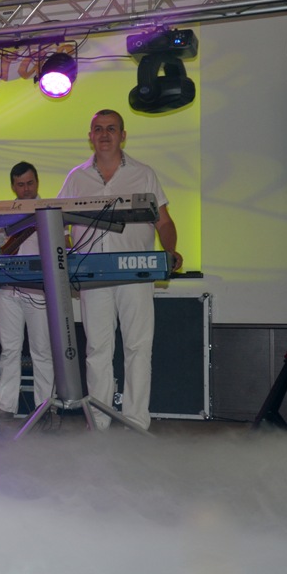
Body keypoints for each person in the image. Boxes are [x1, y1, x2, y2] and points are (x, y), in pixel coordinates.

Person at [58, 109, 182, 431]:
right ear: (90, 136)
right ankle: (99, 421)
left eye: (111, 128)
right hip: (92, 278)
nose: (104, 134)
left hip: (135, 275)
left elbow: (164, 222)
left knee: (137, 347)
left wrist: (169, 251)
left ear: (123, 136)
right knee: (97, 349)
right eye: (98, 129)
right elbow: (58, 226)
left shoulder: (144, 173)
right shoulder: (76, 177)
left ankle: (136, 421)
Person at [0, 162, 55, 431]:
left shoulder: (50, 211)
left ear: (37, 182)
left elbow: (64, 246)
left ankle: (44, 406)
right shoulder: (6, 213)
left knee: (42, 351)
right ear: (13, 186)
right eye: (20, 185)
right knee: (10, 350)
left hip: (38, 291)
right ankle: (6, 405)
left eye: (30, 183)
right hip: (7, 291)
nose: (26, 189)